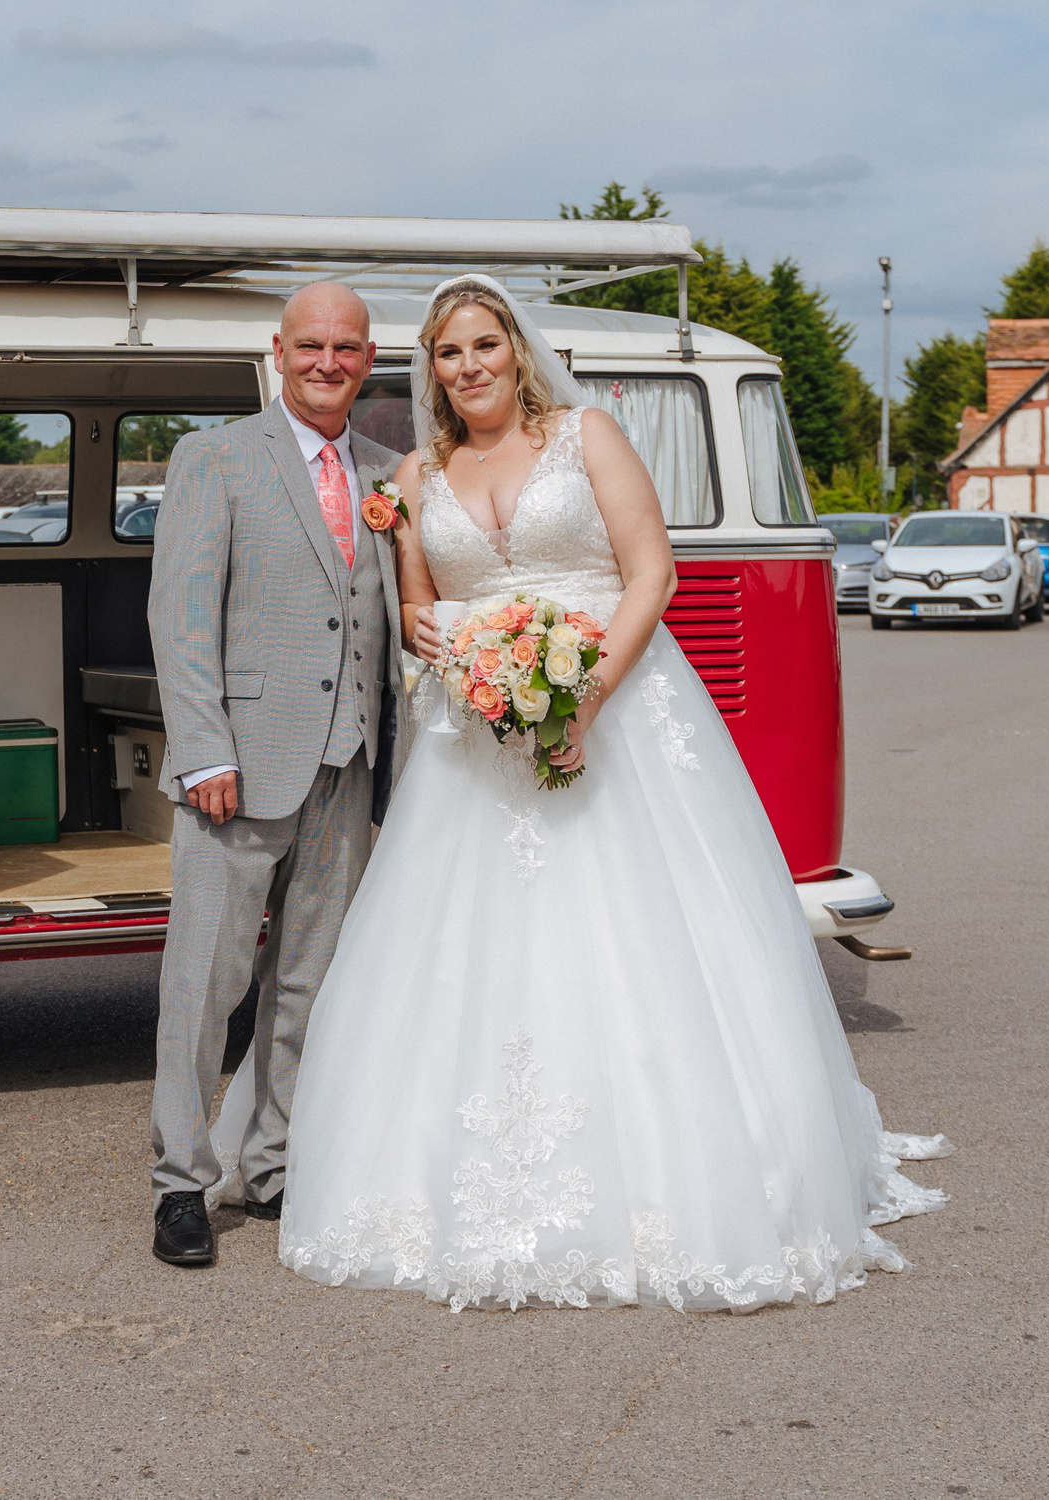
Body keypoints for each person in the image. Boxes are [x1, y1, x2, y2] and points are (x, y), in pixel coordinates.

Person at [275, 274, 950, 1309]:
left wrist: (582, 696)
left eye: (483, 346)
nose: (468, 368)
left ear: (516, 348)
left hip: (615, 712)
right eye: (447, 355)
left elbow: (652, 575)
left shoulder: (585, 435)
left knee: (640, 937)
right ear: (432, 372)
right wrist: (442, 641)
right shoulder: (418, 472)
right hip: (481, 743)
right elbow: (421, 602)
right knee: (471, 955)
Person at [144, 282, 406, 1267]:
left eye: (344, 347)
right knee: (203, 982)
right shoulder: (213, 457)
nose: (327, 362)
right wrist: (203, 745)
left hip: (350, 763)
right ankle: (180, 1181)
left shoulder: (388, 471)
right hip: (239, 765)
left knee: (309, 982)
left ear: (367, 357)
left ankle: (271, 1164)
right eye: (310, 345)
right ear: (277, 350)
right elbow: (181, 614)